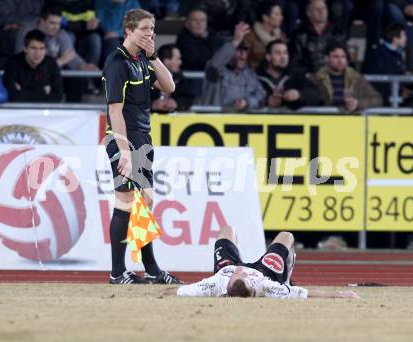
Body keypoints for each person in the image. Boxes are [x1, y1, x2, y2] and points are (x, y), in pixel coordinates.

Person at [102, 9, 182, 285]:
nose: (151, 33)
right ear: (129, 31)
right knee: (129, 200)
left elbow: (169, 86)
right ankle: (121, 271)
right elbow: (114, 110)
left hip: (142, 139)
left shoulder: (142, 60)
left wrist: (154, 56)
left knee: (141, 201)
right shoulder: (117, 63)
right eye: (145, 29)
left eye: (153, 28)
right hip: (124, 139)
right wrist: (123, 151)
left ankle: (147, 269)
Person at [163, 226, 361, 299]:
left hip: (226, 267)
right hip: (265, 272)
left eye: (238, 275)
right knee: (286, 236)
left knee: (226, 231)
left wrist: (171, 292)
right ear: (254, 286)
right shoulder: (267, 287)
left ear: (229, 282)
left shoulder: (213, 285)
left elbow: (170, 293)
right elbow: (308, 294)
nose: (243, 271)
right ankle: (286, 278)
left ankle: (233, 256)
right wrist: (341, 294)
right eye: (246, 276)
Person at [202, 22, 266, 111]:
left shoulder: (250, 75)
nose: (242, 54)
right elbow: (215, 64)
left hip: (240, 121)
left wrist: (247, 102)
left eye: (245, 50)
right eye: (237, 50)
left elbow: (261, 96)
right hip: (216, 120)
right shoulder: (216, 71)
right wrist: (235, 42)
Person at [313, 39, 382, 112]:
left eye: (343, 57)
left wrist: (358, 103)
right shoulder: (317, 78)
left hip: (350, 121)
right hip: (324, 121)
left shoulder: (355, 78)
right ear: (327, 58)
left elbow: (377, 99)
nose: (340, 60)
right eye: (336, 57)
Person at [257, 39, 322, 110]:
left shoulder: (296, 73)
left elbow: (316, 94)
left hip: (292, 119)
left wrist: (299, 94)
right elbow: (249, 98)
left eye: (285, 53)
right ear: (268, 57)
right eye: (278, 53)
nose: (283, 57)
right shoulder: (257, 76)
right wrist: (267, 101)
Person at [3, 29, 63, 102]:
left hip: (45, 111)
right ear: (25, 49)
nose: (37, 53)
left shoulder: (51, 64)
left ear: (46, 50)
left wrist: (22, 91)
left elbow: (57, 97)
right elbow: (12, 96)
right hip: (19, 111)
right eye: (33, 48)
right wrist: (43, 92)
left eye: (41, 48)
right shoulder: (13, 63)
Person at [361, 23, 407, 106]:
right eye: (403, 35)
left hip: (394, 96)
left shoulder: (398, 54)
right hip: (381, 100)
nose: (405, 38)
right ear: (395, 38)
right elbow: (384, 79)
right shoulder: (378, 54)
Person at [289, 0, 337, 75]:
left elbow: (346, 61)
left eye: (324, 8)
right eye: (317, 9)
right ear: (308, 13)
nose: (322, 11)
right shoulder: (299, 34)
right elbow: (294, 62)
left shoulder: (337, 32)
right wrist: (308, 75)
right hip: (308, 79)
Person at [150, 44, 195, 113]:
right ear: (167, 61)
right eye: (178, 59)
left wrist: (176, 103)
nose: (180, 62)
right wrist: (152, 104)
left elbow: (189, 98)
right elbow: (136, 98)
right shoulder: (147, 76)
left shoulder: (180, 78)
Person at [244, 1, 286, 70]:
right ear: (265, 18)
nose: (281, 17)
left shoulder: (281, 36)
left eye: (280, 14)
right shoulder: (250, 36)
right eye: (277, 14)